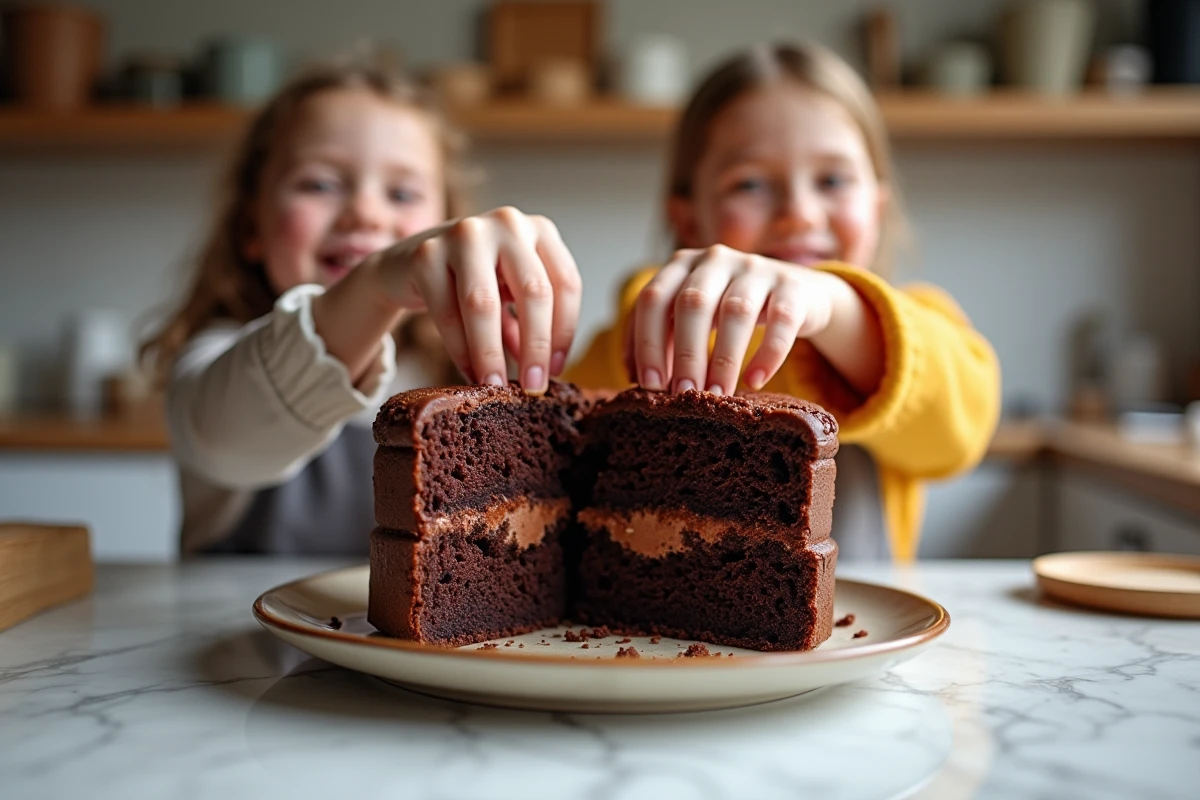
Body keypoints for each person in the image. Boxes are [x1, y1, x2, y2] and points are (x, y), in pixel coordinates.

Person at [565, 42, 1001, 561]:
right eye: (749, 184)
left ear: (877, 207)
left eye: (832, 180)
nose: (799, 213)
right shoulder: (633, 342)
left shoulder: (913, 328)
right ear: (688, 219)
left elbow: (959, 436)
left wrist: (835, 306)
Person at [141, 58, 581, 555]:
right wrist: (374, 283)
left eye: (402, 193)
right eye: (319, 184)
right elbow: (227, 439)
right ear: (250, 227)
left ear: (446, 222)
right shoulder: (220, 366)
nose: (366, 213)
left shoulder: (465, 378)